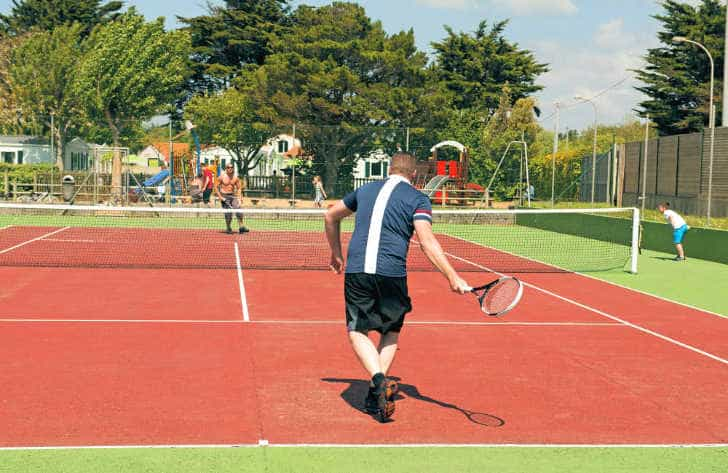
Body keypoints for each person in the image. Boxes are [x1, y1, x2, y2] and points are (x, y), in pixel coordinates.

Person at [325, 152, 470, 423]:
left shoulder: (365, 189)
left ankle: (378, 382)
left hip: (358, 272)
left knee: (357, 330)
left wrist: (336, 253)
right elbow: (427, 242)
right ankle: (375, 390)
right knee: (390, 332)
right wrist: (452, 276)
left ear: (389, 169)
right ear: (414, 175)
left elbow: (331, 215)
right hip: (393, 274)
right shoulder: (417, 198)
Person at [215, 163, 249, 234]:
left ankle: (241, 227)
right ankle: (228, 227)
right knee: (228, 213)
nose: (230, 168)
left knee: (238, 209)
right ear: (226, 168)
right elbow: (215, 187)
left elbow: (239, 188)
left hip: (233, 196)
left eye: (231, 167)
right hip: (224, 196)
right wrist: (220, 197)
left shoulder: (235, 177)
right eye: (228, 167)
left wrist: (240, 198)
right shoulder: (222, 177)